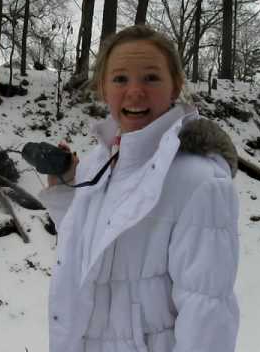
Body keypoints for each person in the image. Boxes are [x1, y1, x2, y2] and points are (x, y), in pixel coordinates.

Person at [38, 25, 240, 352]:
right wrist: (66, 192)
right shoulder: (98, 163)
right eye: (120, 79)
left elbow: (207, 317)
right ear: (103, 88)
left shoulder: (201, 182)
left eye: (150, 78)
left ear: (175, 85)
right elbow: (96, 255)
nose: (135, 91)